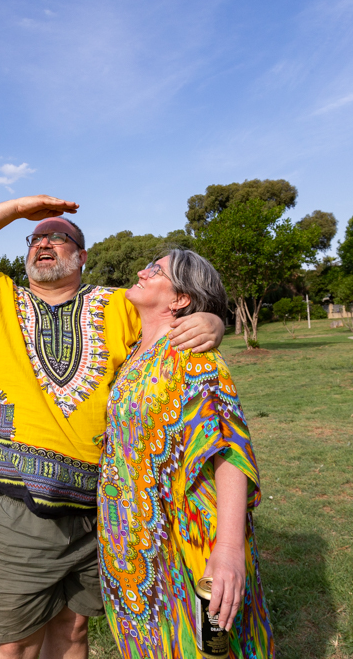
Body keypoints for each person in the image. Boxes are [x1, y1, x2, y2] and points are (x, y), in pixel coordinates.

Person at [0, 195, 225, 659]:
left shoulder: (117, 305)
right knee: (13, 646)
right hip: (18, 508)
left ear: (82, 256)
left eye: (59, 238)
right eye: (36, 238)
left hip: (100, 511)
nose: (44, 243)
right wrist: (19, 208)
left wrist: (212, 320)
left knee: (73, 632)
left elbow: (172, 318)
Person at [97, 249, 273, 659]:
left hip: (188, 541)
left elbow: (229, 450)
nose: (141, 271)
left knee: (207, 648)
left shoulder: (194, 358)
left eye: (155, 270)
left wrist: (228, 551)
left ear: (180, 300)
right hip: (136, 548)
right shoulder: (134, 357)